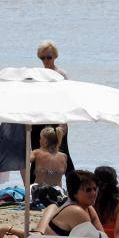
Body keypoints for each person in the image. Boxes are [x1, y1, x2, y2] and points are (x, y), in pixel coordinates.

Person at [35, 169, 119, 238]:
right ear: (74, 192)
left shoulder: (89, 209)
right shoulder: (76, 212)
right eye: (88, 190)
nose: (93, 193)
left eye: (95, 189)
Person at [32, 40, 74, 180]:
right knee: (36, 153)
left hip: (57, 119)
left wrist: (64, 121)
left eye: (49, 57)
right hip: (39, 119)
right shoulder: (37, 75)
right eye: (42, 58)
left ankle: (73, 186)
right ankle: (33, 188)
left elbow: (67, 100)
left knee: (62, 153)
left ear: (55, 56)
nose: (46, 61)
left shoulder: (61, 74)